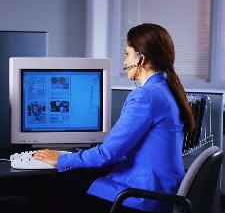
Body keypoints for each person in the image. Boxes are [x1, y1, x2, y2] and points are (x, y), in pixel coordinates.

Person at [33, 23, 195, 213]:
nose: (125, 62)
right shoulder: (166, 90)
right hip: (163, 191)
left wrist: (61, 159)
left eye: (127, 54)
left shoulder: (145, 96)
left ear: (141, 58)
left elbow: (107, 154)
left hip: (144, 198)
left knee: (59, 183)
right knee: (79, 177)